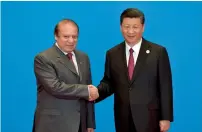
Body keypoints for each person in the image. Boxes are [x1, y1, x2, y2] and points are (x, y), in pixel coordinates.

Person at [96, 8, 173, 132]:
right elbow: (109, 83)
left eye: (135, 27)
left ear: (143, 27)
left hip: (150, 118)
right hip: (123, 118)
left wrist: (166, 117)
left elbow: (165, 86)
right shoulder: (112, 53)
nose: (130, 31)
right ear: (121, 27)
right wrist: (93, 94)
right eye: (126, 27)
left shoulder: (158, 52)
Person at [32, 19, 98, 132]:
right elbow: (55, 87)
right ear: (56, 36)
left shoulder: (83, 57)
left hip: (80, 125)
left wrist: (89, 123)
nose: (71, 40)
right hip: (53, 124)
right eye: (66, 36)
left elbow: (88, 92)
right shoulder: (43, 58)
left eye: (74, 36)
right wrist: (86, 90)